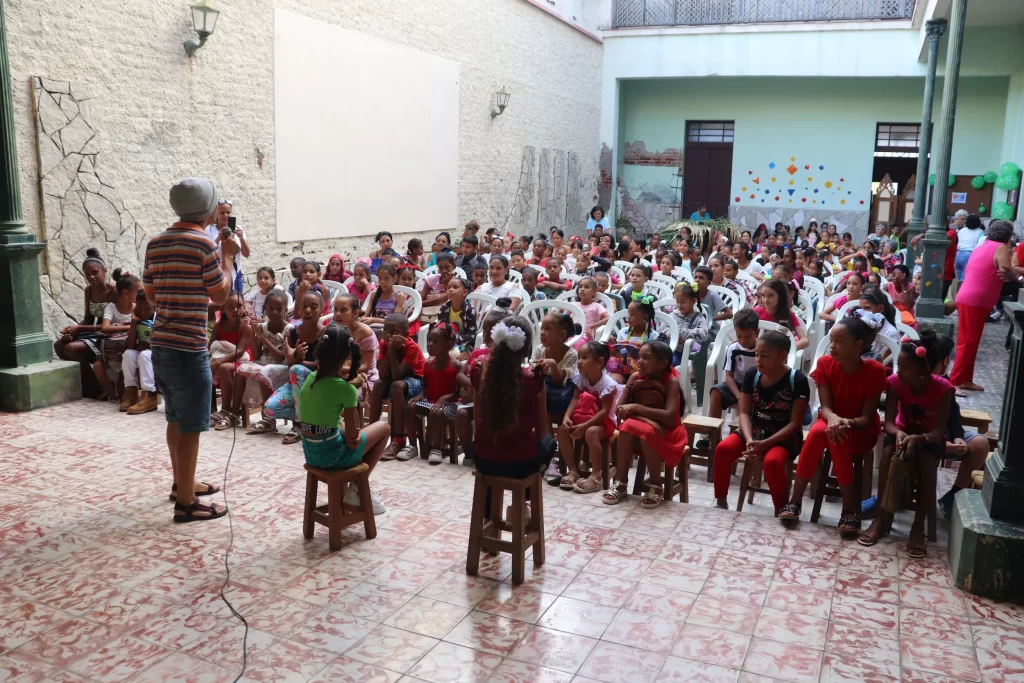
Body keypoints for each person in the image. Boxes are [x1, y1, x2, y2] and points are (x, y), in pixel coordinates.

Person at [143, 177, 231, 522]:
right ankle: (187, 503)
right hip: (189, 346)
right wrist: (227, 255)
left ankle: (183, 483)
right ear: (208, 209)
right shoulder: (203, 244)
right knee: (191, 424)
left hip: (161, 343)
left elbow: (150, 296)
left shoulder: (155, 243)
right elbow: (221, 295)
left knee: (175, 418)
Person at [779, 315, 886, 533]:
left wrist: (844, 422)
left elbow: (867, 418)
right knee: (823, 432)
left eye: (840, 342)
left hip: (860, 430)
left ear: (858, 345)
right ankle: (796, 500)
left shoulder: (874, 370)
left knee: (834, 434)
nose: (832, 347)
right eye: (832, 340)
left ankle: (848, 508)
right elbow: (825, 408)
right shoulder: (825, 364)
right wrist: (835, 420)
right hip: (830, 422)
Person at [859, 332, 951, 558]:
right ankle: (881, 520)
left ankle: (917, 528)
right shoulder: (894, 383)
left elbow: (938, 431)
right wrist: (900, 434)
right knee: (888, 452)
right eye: (898, 364)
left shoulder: (944, 389)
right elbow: (888, 422)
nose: (898, 370)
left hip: (928, 439)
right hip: (901, 433)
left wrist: (918, 439)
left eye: (904, 366)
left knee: (927, 462)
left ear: (923, 371)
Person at [712, 331, 810, 513]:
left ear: (783, 356)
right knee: (723, 449)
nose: (758, 360)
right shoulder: (752, 375)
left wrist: (764, 444)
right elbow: (744, 413)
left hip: (783, 436)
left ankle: (782, 510)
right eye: (757, 354)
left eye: (765, 356)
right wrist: (750, 440)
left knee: (772, 462)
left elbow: (795, 424)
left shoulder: (797, 380)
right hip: (755, 431)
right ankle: (721, 501)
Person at [297, 324, 389, 513]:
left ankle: (348, 499)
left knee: (337, 428)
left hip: (311, 454)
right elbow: (352, 438)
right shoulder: (346, 390)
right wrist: (353, 389)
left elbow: (331, 390)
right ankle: (356, 488)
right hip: (334, 458)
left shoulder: (310, 378)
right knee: (384, 427)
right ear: (348, 357)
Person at [604, 340, 688, 508]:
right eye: (639, 357)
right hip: (640, 427)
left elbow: (670, 417)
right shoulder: (635, 378)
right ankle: (621, 483)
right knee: (628, 427)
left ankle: (656, 485)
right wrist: (645, 419)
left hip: (667, 431)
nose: (639, 361)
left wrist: (636, 408)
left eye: (646, 358)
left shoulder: (672, 381)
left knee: (644, 431)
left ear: (663, 363)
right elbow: (620, 409)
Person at [951, 220, 1015, 391]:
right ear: (1008, 236)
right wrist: (1016, 274)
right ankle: (955, 381)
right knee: (968, 341)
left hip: (970, 297)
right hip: (976, 300)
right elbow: (1005, 271)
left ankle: (965, 379)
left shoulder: (983, 245)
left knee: (971, 341)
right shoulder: (1000, 248)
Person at [931, 333, 991, 517]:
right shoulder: (916, 382)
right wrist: (942, 442)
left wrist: (956, 437)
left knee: (980, 444)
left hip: (946, 434)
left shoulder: (945, 380)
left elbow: (954, 414)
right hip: (924, 435)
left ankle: (954, 493)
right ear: (946, 359)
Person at [264, 291, 327, 445]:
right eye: (304, 306)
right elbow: (291, 364)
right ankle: (309, 417)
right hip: (296, 382)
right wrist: (294, 358)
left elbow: (319, 365)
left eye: (313, 307)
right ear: (298, 310)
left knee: (296, 370)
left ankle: (298, 425)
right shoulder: (293, 333)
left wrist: (299, 360)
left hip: (317, 381)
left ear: (322, 310)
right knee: (269, 409)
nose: (308, 311)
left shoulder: (326, 333)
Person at [557, 342, 619, 494]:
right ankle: (573, 470)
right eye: (579, 357)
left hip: (604, 422)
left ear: (599, 362)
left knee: (591, 432)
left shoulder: (607, 384)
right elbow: (575, 399)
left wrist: (584, 427)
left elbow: (604, 412)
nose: (579, 361)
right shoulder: (581, 378)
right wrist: (566, 417)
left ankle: (596, 475)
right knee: (562, 429)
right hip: (583, 417)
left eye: (584, 357)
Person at [55, 248, 115, 397]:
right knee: (59, 345)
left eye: (95, 272)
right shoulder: (89, 290)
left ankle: (99, 390)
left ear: (104, 271)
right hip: (95, 331)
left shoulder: (114, 291)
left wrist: (79, 328)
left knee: (71, 349)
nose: (91, 277)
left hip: (109, 333)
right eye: (88, 274)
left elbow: (112, 325)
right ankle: (89, 384)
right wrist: (72, 331)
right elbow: (88, 319)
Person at [367, 313, 426, 461]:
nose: (389, 335)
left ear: (406, 334)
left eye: (394, 332)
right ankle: (372, 436)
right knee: (379, 384)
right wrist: (389, 350)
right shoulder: (383, 344)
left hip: (416, 382)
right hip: (394, 380)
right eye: (386, 331)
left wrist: (392, 351)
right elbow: (381, 375)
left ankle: (399, 440)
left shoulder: (411, 347)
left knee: (397, 386)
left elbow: (398, 376)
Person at [406, 324, 466, 464]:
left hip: (452, 405)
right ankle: (413, 445)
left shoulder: (456, 366)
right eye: (429, 340)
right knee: (410, 407)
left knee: (436, 412)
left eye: (435, 342)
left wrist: (444, 398)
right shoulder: (428, 365)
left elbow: (459, 392)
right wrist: (420, 395)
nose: (430, 345)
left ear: (448, 344)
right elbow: (426, 387)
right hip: (432, 402)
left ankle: (436, 449)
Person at [234, 291, 290, 435]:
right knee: (240, 370)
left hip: (282, 366)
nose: (275, 312)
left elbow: (280, 358)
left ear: (286, 310)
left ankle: (268, 419)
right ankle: (234, 411)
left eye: (279, 309)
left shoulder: (289, 330)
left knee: (263, 372)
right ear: (265, 309)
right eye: (271, 308)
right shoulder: (263, 327)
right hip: (265, 363)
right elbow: (257, 355)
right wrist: (255, 333)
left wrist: (262, 338)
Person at [209, 293, 254, 430]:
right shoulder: (219, 326)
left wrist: (218, 362)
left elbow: (240, 351)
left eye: (239, 306)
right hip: (224, 358)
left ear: (244, 308)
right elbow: (211, 346)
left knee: (223, 368)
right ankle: (216, 409)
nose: (235, 310)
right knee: (209, 367)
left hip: (242, 359)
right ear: (223, 309)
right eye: (230, 306)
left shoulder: (245, 327)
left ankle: (228, 409)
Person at [95, 268, 141, 401]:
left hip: (128, 349)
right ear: (126, 292)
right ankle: (111, 394)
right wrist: (128, 326)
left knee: (127, 362)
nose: (141, 294)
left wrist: (119, 327)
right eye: (138, 291)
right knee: (97, 366)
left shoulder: (136, 308)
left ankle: (128, 392)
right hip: (112, 350)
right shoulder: (112, 307)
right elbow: (105, 327)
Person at [706, 308, 759, 422]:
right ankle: (714, 433)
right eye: (739, 336)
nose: (743, 341)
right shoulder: (733, 348)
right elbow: (729, 377)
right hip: (737, 386)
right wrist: (739, 396)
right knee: (716, 391)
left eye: (747, 337)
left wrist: (745, 397)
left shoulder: (762, 350)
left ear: (757, 332)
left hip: (756, 388)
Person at [120, 290, 157, 414]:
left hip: (158, 353)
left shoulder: (159, 318)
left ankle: (150, 395)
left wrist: (147, 346)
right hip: (143, 351)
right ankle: (131, 392)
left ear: (154, 306)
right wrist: (134, 322)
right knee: (128, 354)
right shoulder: (138, 318)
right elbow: (131, 345)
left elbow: (161, 344)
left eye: (147, 309)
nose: (143, 312)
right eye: (139, 308)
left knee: (144, 355)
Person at [607, 297, 659, 383]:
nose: (628, 317)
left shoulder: (652, 336)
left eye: (632, 315)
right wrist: (613, 346)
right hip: (621, 369)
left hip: (642, 371)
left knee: (637, 383)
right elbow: (617, 353)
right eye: (628, 314)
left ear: (645, 318)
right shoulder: (623, 332)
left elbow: (653, 358)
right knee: (612, 381)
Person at [204, 199, 248, 293]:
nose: (225, 216)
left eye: (228, 212)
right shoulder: (209, 230)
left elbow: (246, 254)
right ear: (216, 213)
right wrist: (218, 238)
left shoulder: (238, 229)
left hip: (236, 272)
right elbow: (208, 252)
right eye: (222, 212)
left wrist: (241, 238)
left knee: (237, 301)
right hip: (218, 273)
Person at [754, 279, 809, 350]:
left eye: (770, 295)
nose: (766, 299)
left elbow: (805, 340)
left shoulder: (789, 315)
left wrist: (785, 349)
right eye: (763, 295)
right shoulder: (755, 312)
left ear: (780, 296)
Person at [671, 281, 709, 364]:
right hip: (672, 348)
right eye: (677, 301)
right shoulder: (673, 315)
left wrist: (682, 333)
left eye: (683, 302)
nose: (679, 305)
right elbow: (663, 329)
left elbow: (704, 334)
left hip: (688, 351)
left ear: (693, 301)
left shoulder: (698, 317)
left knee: (672, 362)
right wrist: (673, 335)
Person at [693, 265, 731, 340]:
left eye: (701, 278)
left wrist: (709, 318)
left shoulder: (713, 295)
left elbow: (729, 314)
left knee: (697, 341)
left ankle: (697, 351)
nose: (697, 280)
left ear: (709, 282)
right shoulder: (690, 294)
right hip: (694, 328)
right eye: (695, 277)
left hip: (711, 329)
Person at [575, 277, 609, 346]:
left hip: (586, 336)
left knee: (577, 342)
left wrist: (591, 326)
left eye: (586, 287)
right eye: (580, 287)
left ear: (594, 292)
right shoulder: (573, 305)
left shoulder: (596, 306)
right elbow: (562, 315)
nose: (582, 289)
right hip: (571, 333)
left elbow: (608, 318)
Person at [954, 212, 983, 284]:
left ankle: (957, 294)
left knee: (958, 280)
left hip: (958, 254)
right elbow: (980, 245)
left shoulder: (961, 231)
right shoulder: (980, 232)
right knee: (965, 280)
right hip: (970, 255)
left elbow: (957, 242)